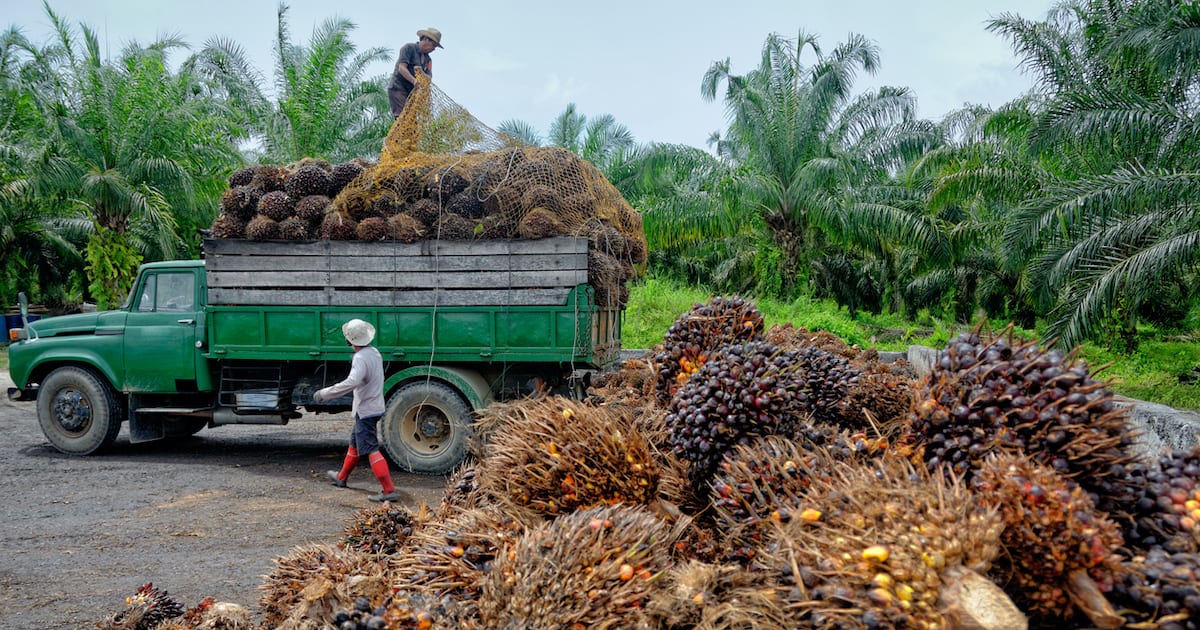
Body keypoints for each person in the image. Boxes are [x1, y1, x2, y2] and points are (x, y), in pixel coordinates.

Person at [313, 318, 400, 502]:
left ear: (349, 341)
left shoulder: (360, 358)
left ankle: (389, 490)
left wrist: (325, 393)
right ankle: (342, 478)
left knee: (371, 449)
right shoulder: (374, 352)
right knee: (354, 443)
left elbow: (352, 382)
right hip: (374, 405)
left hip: (366, 409)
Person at [388, 27, 442, 118]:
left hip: (411, 93)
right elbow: (401, 68)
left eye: (435, 47)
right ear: (425, 39)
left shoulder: (428, 60)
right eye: (433, 45)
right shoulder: (408, 48)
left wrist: (421, 74)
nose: (433, 49)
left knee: (412, 121)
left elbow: (429, 78)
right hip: (398, 88)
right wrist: (414, 80)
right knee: (402, 118)